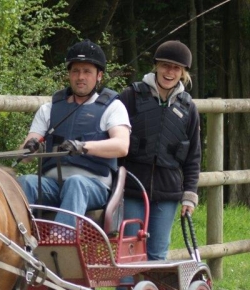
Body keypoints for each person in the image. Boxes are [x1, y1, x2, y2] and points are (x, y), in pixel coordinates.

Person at [18, 39, 131, 228]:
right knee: (25, 182)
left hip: (93, 186)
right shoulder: (49, 108)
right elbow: (25, 158)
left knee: (75, 183)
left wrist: (83, 146)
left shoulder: (113, 107)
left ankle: (62, 240)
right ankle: (20, 239)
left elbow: (122, 146)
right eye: (76, 71)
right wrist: (29, 148)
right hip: (53, 185)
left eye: (87, 71)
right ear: (69, 75)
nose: (81, 77)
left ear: (99, 76)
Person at [119, 40, 201, 260]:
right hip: (132, 188)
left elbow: (193, 156)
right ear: (156, 66)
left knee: (157, 252)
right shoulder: (131, 97)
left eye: (176, 68)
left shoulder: (188, 108)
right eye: (165, 65)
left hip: (168, 192)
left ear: (183, 72)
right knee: (128, 252)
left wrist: (189, 195)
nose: (169, 72)